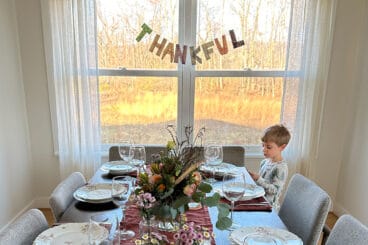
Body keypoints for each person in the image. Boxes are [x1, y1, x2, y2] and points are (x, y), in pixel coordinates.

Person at [248, 124, 291, 211]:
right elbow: (261, 185)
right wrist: (252, 179)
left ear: (282, 147)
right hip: (259, 202)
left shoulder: (281, 168)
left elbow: (275, 190)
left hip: (269, 208)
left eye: (269, 147)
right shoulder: (264, 162)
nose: (264, 149)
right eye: (263, 145)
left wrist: (258, 179)